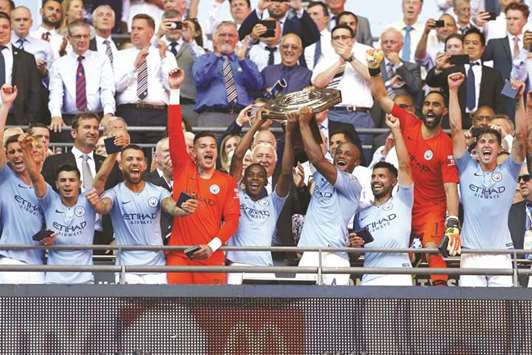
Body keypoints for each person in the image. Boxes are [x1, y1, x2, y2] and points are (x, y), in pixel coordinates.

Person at [368, 49, 460, 286]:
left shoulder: (445, 144)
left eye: (436, 105)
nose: (430, 108)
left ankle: (441, 301)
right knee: (397, 248)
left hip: (432, 208)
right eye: (427, 103)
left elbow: (451, 187)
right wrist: (374, 69)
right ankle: (398, 289)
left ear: (444, 111)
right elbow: (380, 96)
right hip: (405, 202)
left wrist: (452, 221)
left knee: (431, 250)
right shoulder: (408, 121)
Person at [447, 72, 527, 287]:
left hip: (501, 254)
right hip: (471, 254)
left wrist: (519, 100)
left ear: (500, 148)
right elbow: (455, 129)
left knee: (499, 314)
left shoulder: (510, 170)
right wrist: (453, 91)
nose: (486, 145)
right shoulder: (466, 168)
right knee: (472, 315)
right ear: (476, 146)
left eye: (492, 141)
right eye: (482, 141)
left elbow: (521, 135)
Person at [167, 68, 240, 285]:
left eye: (212, 147)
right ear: (193, 153)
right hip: (179, 255)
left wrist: (212, 246)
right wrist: (174, 91)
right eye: (202, 147)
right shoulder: (183, 169)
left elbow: (232, 220)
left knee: (211, 316)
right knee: (175, 312)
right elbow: (174, 133)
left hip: (211, 256)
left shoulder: (226, 181)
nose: (208, 150)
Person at [86, 142, 196, 284]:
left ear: (144, 165)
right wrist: (96, 203)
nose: (135, 163)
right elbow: (104, 207)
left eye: (139, 159)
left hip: (156, 268)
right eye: (129, 159)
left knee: (158, 307)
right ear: (120, 166)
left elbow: (170, 206)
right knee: (131, 307)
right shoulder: (114, 192)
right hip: (127, 268)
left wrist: (181, 209)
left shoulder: (158, 191)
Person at [225, 108, 293, 284]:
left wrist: (289, 133)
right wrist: (257, 123)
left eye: (259, 176)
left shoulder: (274, 202)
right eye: (250, 175)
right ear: (243, 179)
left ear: (266, 180)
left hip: (265, 268)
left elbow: (286, 172)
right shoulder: (235, 195)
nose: (255, 179)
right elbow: (238, 156)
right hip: (237, 267)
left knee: (265, 312)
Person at [296, 107, 362, 285]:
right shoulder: (320, 176)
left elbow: (318, 159)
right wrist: (312, 119)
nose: (341, 155)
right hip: (309, 254)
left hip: (335, 256)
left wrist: (303, 123)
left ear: (356, 162)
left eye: (348, 154)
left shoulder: (353, 183)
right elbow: (316, 150)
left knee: (334, 311)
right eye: (338, 152)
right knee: (303, 310)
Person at [350, 114, 414, 286]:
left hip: (400, 275)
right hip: (370, 276)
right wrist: (354, 247)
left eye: (382, 176)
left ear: (394, 181)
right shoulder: (361, 214)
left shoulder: (403, 200)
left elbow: (404, 166)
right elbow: (356, 252)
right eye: (374, 176)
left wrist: (396, 130)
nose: (376, 180)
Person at [0, 85, 45, 284]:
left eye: (21, 150)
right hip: (10, 262)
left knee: (39, 317)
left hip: (39, 265)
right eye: (12, 152)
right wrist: (6, 105)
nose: (17, 155)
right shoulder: (6, 178)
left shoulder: (46, 188)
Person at [114, 13, 178, 144]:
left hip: (157, 114)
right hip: (128, 112)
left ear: (151, 32)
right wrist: (134, 67)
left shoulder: (167, 55)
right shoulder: (120, 56)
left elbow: (172, 87)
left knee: (157, 157)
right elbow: (116, 86)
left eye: (140, 28)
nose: (135, 32)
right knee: (127, 156)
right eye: (133, 28)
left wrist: (164, 59)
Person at [425, 28, 505, 128]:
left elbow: (500, 103)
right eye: (467, 43)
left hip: (484, 124)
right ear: (463, 47)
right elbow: (431, 82)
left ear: (483, 48)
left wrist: (494, 123)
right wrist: (438, 69)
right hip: (454, 123)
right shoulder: (451, 68)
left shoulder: (494, 74)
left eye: (475, 43)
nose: (470, 46)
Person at [48, 20, 115, 135]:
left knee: (109, 146)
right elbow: (55, 93)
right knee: (63, 145)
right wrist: (56, 115)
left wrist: (108, 113)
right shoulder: (59, 64)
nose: (82, 40)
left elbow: (107, 89)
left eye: (86, 36)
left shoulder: (102, 59)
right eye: (78, 36)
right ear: (69, 39)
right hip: (69, 119)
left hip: (97, 117)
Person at [312, 24, 374, 149]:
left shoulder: (365, 52)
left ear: (352, 40)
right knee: (335, 155)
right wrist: (340, 61)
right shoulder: (326, 57)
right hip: (334, 114)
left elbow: (372, 77)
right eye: (336, 38)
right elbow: (318, 83)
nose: (340, 40)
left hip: (360, 115)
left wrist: (350, 58)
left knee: (364, 157)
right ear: (331, 42)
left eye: (344, 37)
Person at [192, 21, 263, 127]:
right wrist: (216, 56)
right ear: (215, 38)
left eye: (231, 35)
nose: (226, 39)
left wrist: (242, 60)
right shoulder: (203, 59)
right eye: (222, 35)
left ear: (237, 39)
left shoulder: (246, 61)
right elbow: (200, 79)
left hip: (242, 116)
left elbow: (257, 85)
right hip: (212, 116)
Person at [0, 11, 41, 126]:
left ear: (11, 28)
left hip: (17, 120)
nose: (1, 30)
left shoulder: (27, 58)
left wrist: (29, 121)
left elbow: (35, 93)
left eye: (5, 27)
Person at [238, 0, 320, 48]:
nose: (277, 5)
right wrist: (259, 9)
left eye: (281, 1)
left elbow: (314, 37)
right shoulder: (257, 23)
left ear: (289, 3)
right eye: (273, 0)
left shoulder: (297, 25)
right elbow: (240, 36)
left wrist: (299, 9)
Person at [144, 137, 174, 241]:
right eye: (167, 151)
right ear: (156, 157)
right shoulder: (144, 182)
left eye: (174, 150)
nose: (172, 154)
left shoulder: (189, 181)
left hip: (181, 247)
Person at [303, 1, 332, 70]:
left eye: (315, 14)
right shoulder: (301, 39)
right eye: (308, 14)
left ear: (326, 19)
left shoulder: (334, 39)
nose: (311, 17)